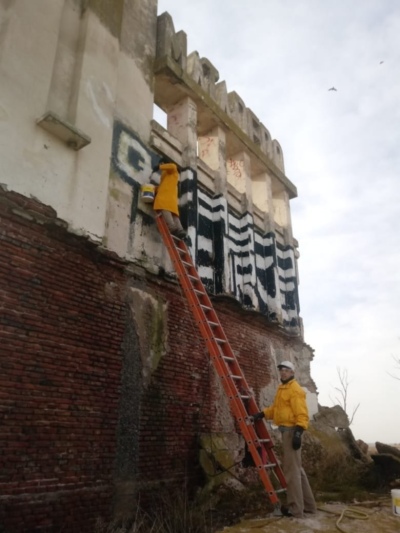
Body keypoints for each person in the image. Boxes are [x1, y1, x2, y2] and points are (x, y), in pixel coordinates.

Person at [251, 360, 317, 518]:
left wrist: (298, 432)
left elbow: (302, 413)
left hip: (291, 431)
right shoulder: (282, 388)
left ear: (292, 372)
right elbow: (277, 409)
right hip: (286, 430)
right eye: (281, 370)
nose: (283, 373)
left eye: (286, 370)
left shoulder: (294, 389)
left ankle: (296, 509)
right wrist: (262, 414)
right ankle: (309, 506)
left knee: (291, 471)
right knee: (298, 470)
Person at [151, 157, 187, 239]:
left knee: (164, 208)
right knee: (174, 214)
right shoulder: (167, 175)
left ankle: (172, 227)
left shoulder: (172, 170)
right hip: (170, 197)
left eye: (161, 164)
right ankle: (180, 230)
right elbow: (162, 186)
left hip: (166, 195)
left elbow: (173, 166)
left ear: (164, 163)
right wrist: (153, 188)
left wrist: (159, 167)